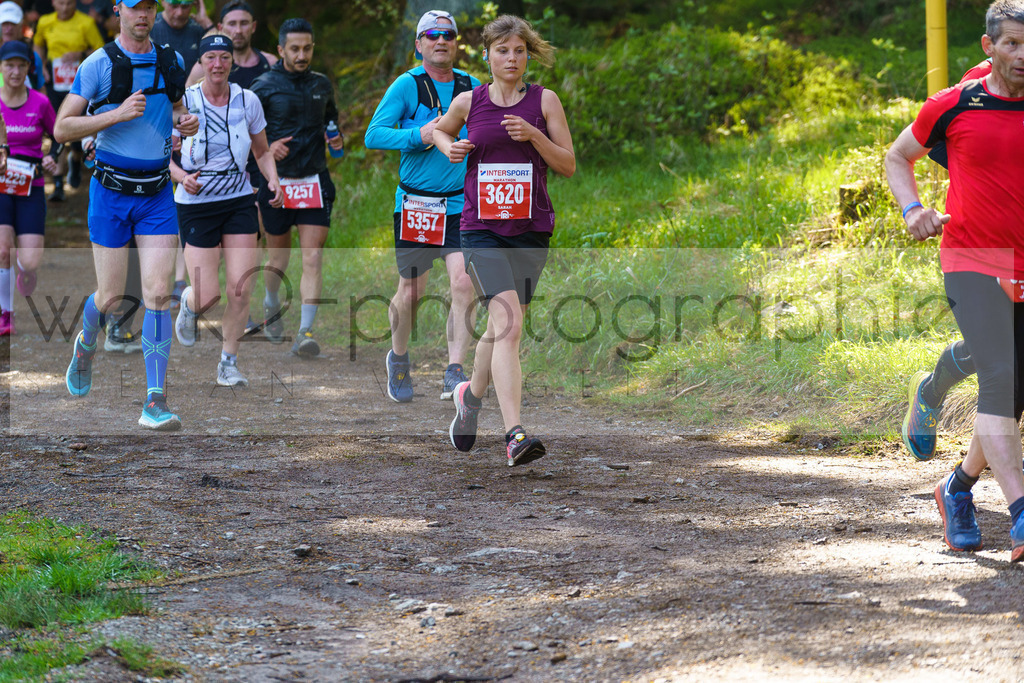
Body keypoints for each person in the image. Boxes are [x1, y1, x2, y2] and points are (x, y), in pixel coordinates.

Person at [885, 0, 1024, 562]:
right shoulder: (957, 102)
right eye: (1012, 43)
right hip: (972, 255)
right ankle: (1020, 514)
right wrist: (913, 209)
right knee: (1002, 373)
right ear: (990, 46)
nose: (1023, 55)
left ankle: (957, 488)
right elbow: (900, 156)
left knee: (1012, 387)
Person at [433, 14, 575, 466]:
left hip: (531, 229)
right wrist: (448, 147)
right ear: (488, 56)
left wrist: (534, 135)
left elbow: (568, 164)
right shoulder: (469, 101)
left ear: (527, 55)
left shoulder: (544, 101)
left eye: (518, 51)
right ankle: (514, 435)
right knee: (509, 324)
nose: (511, 58)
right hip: (480, 229)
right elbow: (440, 130)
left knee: (501, 328)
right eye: (502, 50)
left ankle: (469, 398)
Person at [56, 0, 199, 430]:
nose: (143, 15)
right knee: (112, 296)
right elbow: (62, 128)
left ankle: (155, 401)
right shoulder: (98, 64)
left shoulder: (171, 59)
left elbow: (174, 109)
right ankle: (85, 344)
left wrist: (183, 121)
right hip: (110, 193)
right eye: (135, 7)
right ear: (119, 9)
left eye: (150, 7)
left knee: (157, 293)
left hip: (156, 194)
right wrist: (115, 115)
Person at [365, 10, 478, 403]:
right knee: (411, 291)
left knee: (464, 282)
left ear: (456, 42)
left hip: (461, 204)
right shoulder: (407, 85)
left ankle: (454, 371)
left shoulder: (471, 87)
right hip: (416, 204)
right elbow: (373, 135)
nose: (440, 40)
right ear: (419, 44)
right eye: (431, 35)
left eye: (448, 34)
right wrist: (420, 134)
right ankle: (397, 358)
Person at [171, 33, 282, 386]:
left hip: (237, 201)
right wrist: (181, 176)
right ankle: (190, 305)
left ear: (232, 62)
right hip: (196, 204)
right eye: (211, 58)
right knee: (208, 294)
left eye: (224, 57)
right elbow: (161, 153)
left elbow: (263, 151)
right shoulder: (184, 102)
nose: (217, 65)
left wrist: (273, 180)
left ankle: (228, 362)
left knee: (240, 288)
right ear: (201, 63)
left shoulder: (247, 101)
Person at [249, 17, 343, 358]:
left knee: (313, 257)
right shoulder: (263, 86)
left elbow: (332, 124)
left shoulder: (322, 84)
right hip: (278, 184)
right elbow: (244, 138)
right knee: (278, 259)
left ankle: (305, 331)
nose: (302, 55)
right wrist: (268, 149)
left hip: (315, 180)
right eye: (294, 49)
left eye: (307, 48)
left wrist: (336, 138)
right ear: (280, 50)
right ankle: (271, 300)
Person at [0, 40, 56, 336]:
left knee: (30, 259)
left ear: (29, 69)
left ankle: (26, 270)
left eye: (21, 65)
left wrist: (51, 158)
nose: (16, 71)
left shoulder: (40, 103)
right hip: (0, 188)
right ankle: (5, 314)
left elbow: (59, 134)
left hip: (31, 186)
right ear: (1, 68)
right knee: (2, 250)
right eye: (9, 65)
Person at [33, 0, 103, 200]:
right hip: (55, 83)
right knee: (58, 129)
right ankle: (57, 185)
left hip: (81, 85)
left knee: (80, 129)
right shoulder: (45, 22)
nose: (65, 8)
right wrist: (42, 67)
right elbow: (38, 44)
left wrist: (80, 54)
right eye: (61, 3)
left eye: (69, 3)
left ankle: (76, 158)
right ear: (53, 3)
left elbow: (101, 51)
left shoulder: (86, 23)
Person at [185, 1, 276, 88]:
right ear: (220, 28)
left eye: (244, 23)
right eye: (232, 24)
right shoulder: (205, 65)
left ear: (253, 27)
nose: (238, 30)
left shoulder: (270, 63)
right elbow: (185, 100)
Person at [150, 0, 209, 74]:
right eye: (174, 6)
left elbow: (222, 51)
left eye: (185, 6)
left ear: (194, 4)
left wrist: (206, 22)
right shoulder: (149, 27)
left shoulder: (199, 29)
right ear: (163, 2)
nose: (179, 13)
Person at [0, 2, 46, 90]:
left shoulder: (33, 57)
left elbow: (40, 88)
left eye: (13, 24)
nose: (9, 28)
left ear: (21, 26)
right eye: (5, 24)